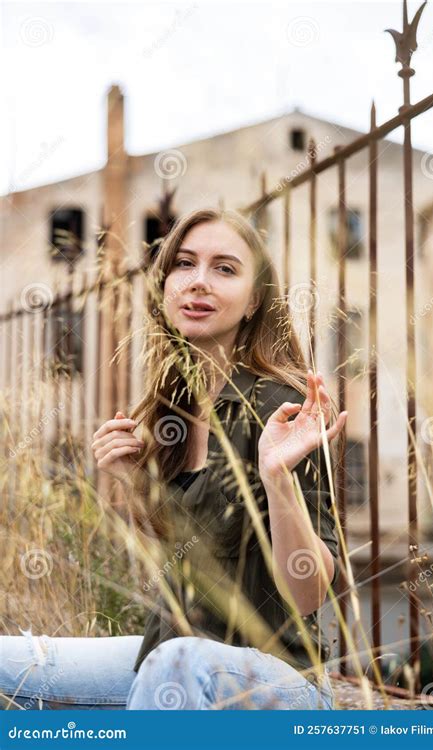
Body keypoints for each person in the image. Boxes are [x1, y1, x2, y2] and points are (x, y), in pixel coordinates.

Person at [0, 208, 347, 711]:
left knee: (179, 664)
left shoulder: (281, 407)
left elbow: (309, 595)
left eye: (224, 268)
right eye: (185, 264)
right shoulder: (176, 407)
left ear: (254, 301)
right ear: (165, 286)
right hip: (164, 654)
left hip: (276, 678)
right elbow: (188, 544)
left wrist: (276, 478)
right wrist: (131, 480)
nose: (198, 282)